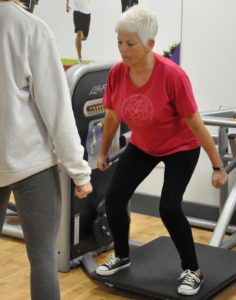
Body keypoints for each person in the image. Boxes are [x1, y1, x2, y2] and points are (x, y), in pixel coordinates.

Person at [0, 1, 93, 299]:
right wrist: (79, 171)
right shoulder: (30, 27)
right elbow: (57, 111)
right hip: (30, 163)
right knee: (42, 256)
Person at [95, 5, 228, 296]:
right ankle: (122, 254)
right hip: (143, 145)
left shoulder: (172, 75)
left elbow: (194, 123)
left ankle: (193, 270)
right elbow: (112, 117)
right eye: (120, 42)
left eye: (130, 44)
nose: (123, 49)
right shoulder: (118, 73)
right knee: (115, 200)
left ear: (150, 44)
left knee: (168, 207)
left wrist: (217, 166)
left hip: (180, 147)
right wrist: (102, 153)